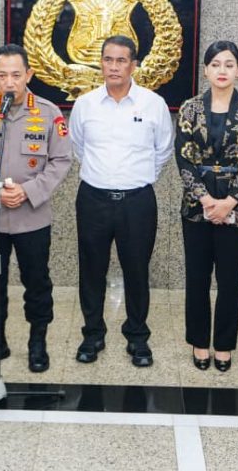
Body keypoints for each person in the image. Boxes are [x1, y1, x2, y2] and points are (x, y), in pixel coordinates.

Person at [0, 44, 72, 373]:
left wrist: (28, 191)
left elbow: (62, 160)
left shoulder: (49, 113)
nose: (10, 82)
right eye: (2, 75)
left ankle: (37, 342)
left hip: (32, 218)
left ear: (28, 75)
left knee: (37, 283)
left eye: (16, 75)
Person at [70, 35, 173, 367]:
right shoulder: (84, 104)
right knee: (91, 270)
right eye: (108, 59)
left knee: (137, 270)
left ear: (134, 65)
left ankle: (138, 337)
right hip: (93, 199)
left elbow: (163, 150)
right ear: (101, 63)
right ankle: (92, 334)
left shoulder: (153, 104)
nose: (113, 66)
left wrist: (135, 179)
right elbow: (78, 147)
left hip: (137, 202)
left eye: (121, 60)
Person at [174, 41, 238, 372]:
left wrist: (228, 202)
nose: (222, 70)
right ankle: (199, 342)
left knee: (229, 280)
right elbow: (183, 159)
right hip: (196, 206)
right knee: (197, 277)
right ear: (206, 70)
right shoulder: (190, 108)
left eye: (229, 64)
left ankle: (224, 345)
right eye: (215, 64)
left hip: (235, 208)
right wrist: (206, 199)